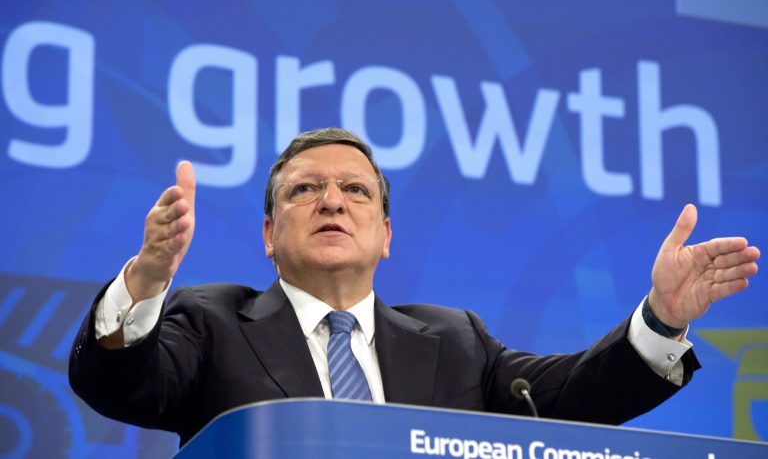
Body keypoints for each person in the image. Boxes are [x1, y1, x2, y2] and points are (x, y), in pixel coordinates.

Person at [69, 128, 760, 446]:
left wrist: (664, 318)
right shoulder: (213, 320)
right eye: (305, 190)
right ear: (269, 237)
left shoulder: (455, 341)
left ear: (388, 235)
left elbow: (574, 398)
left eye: (355, 191)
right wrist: (148, 278)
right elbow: (120, 385)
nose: (332, 202)